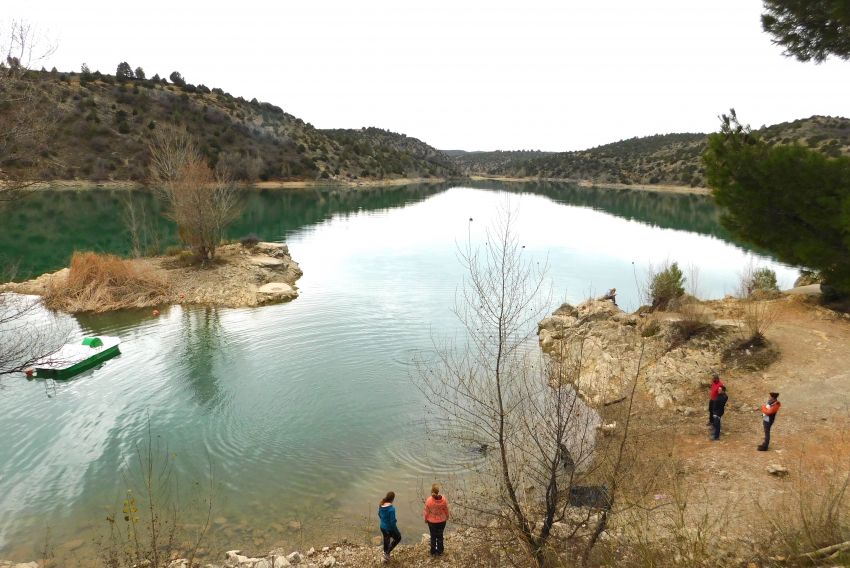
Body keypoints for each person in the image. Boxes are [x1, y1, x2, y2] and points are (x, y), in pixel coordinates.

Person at [423, 483, 450, 556]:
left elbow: (426, 512)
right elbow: (446, 509)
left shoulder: (429, 500)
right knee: (440, 536)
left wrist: (425, 519)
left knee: (433, 536)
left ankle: (433, 552)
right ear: (438, 491)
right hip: (442, 521)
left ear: (431, 491)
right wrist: (447, 516)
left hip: (432, 522)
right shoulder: (443, 500)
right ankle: (440, 551)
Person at [378, 491, 401, 562]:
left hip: (382, 527)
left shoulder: (381, 505)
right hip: (388, 528)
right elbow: (392, 522)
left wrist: (384, 521)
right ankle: (386, 554)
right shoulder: (391, 509)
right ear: (392, 499)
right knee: (398, 538)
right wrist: (396, 531)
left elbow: (379, 514)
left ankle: (385, 553)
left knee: (386, 540)